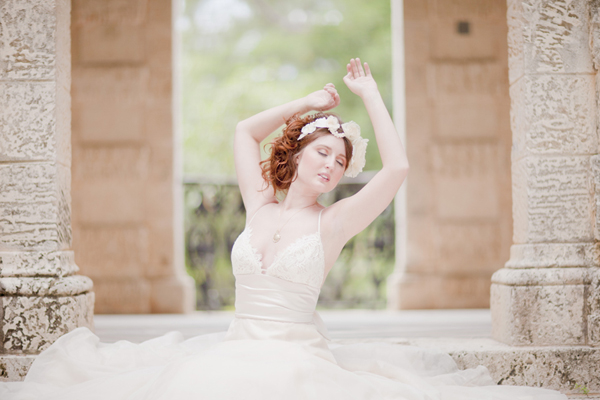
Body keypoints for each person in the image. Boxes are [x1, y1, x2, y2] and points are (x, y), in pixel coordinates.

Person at [0, 59, 566, 400]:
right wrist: (313, 102)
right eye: (322, 152)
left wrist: (369, 97)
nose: (331, 166)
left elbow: (397, 169)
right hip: (231, 350)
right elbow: (245, 132)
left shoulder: (334, 222)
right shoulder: (258, 205)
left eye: (340, 162)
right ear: (296, 155)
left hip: (295, 360)